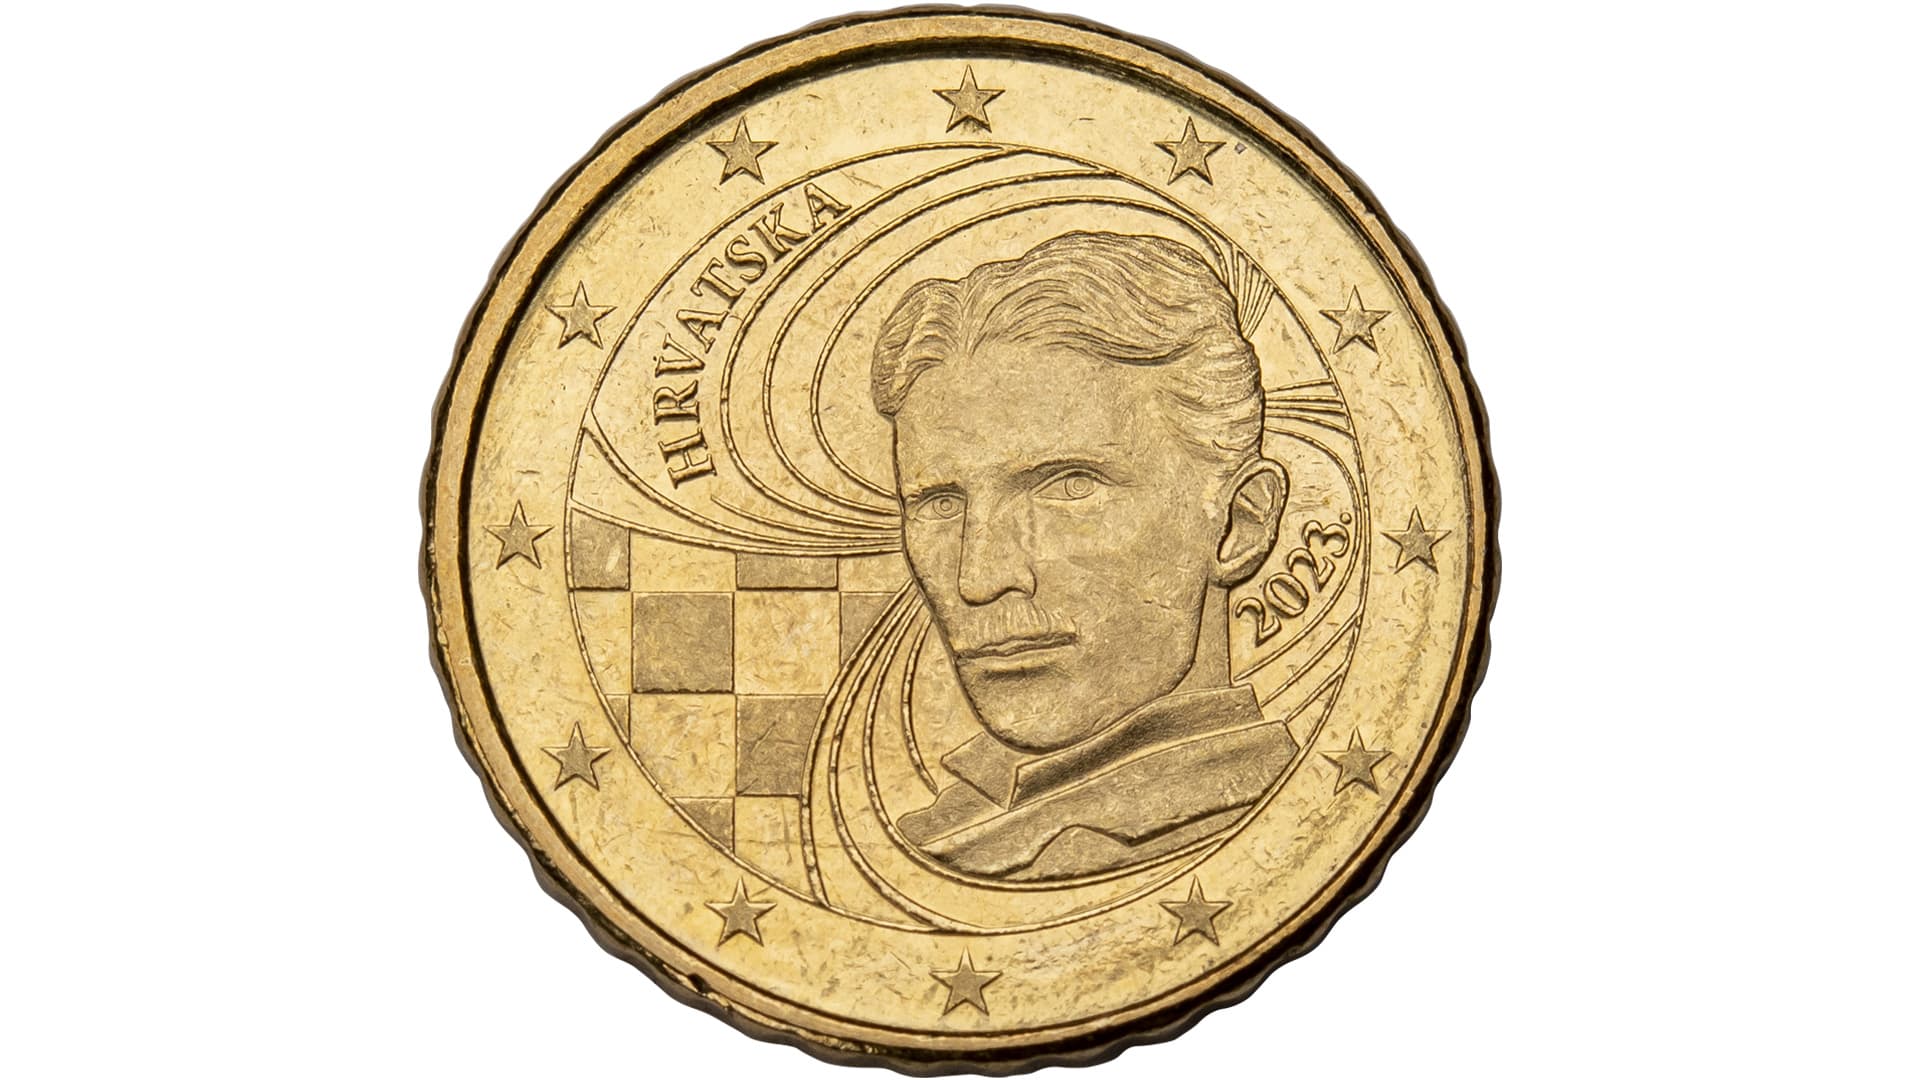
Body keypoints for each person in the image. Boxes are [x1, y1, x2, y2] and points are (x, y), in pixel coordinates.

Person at [871, 230, 1298, 881]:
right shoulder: (937, 836)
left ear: (1238, 525)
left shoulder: (1254, 825)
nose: (980, 577)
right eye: (941, 503)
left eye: (1068, 487)